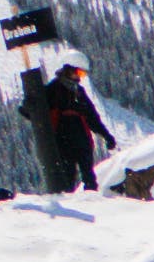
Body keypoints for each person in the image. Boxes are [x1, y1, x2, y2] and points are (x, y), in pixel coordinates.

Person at [27, 62, 116, 192]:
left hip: (82, 141)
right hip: (63, 142)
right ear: (68, 71)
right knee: (68, 178)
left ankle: (93, 204)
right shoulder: (52, 89)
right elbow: (36, 112)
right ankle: (71, 205)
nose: (79, 77)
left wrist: (107, 136)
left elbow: (92, 117)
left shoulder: (79, 91)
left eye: (82, 74)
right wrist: (29, 107)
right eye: (78, 73)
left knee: (89, 178)